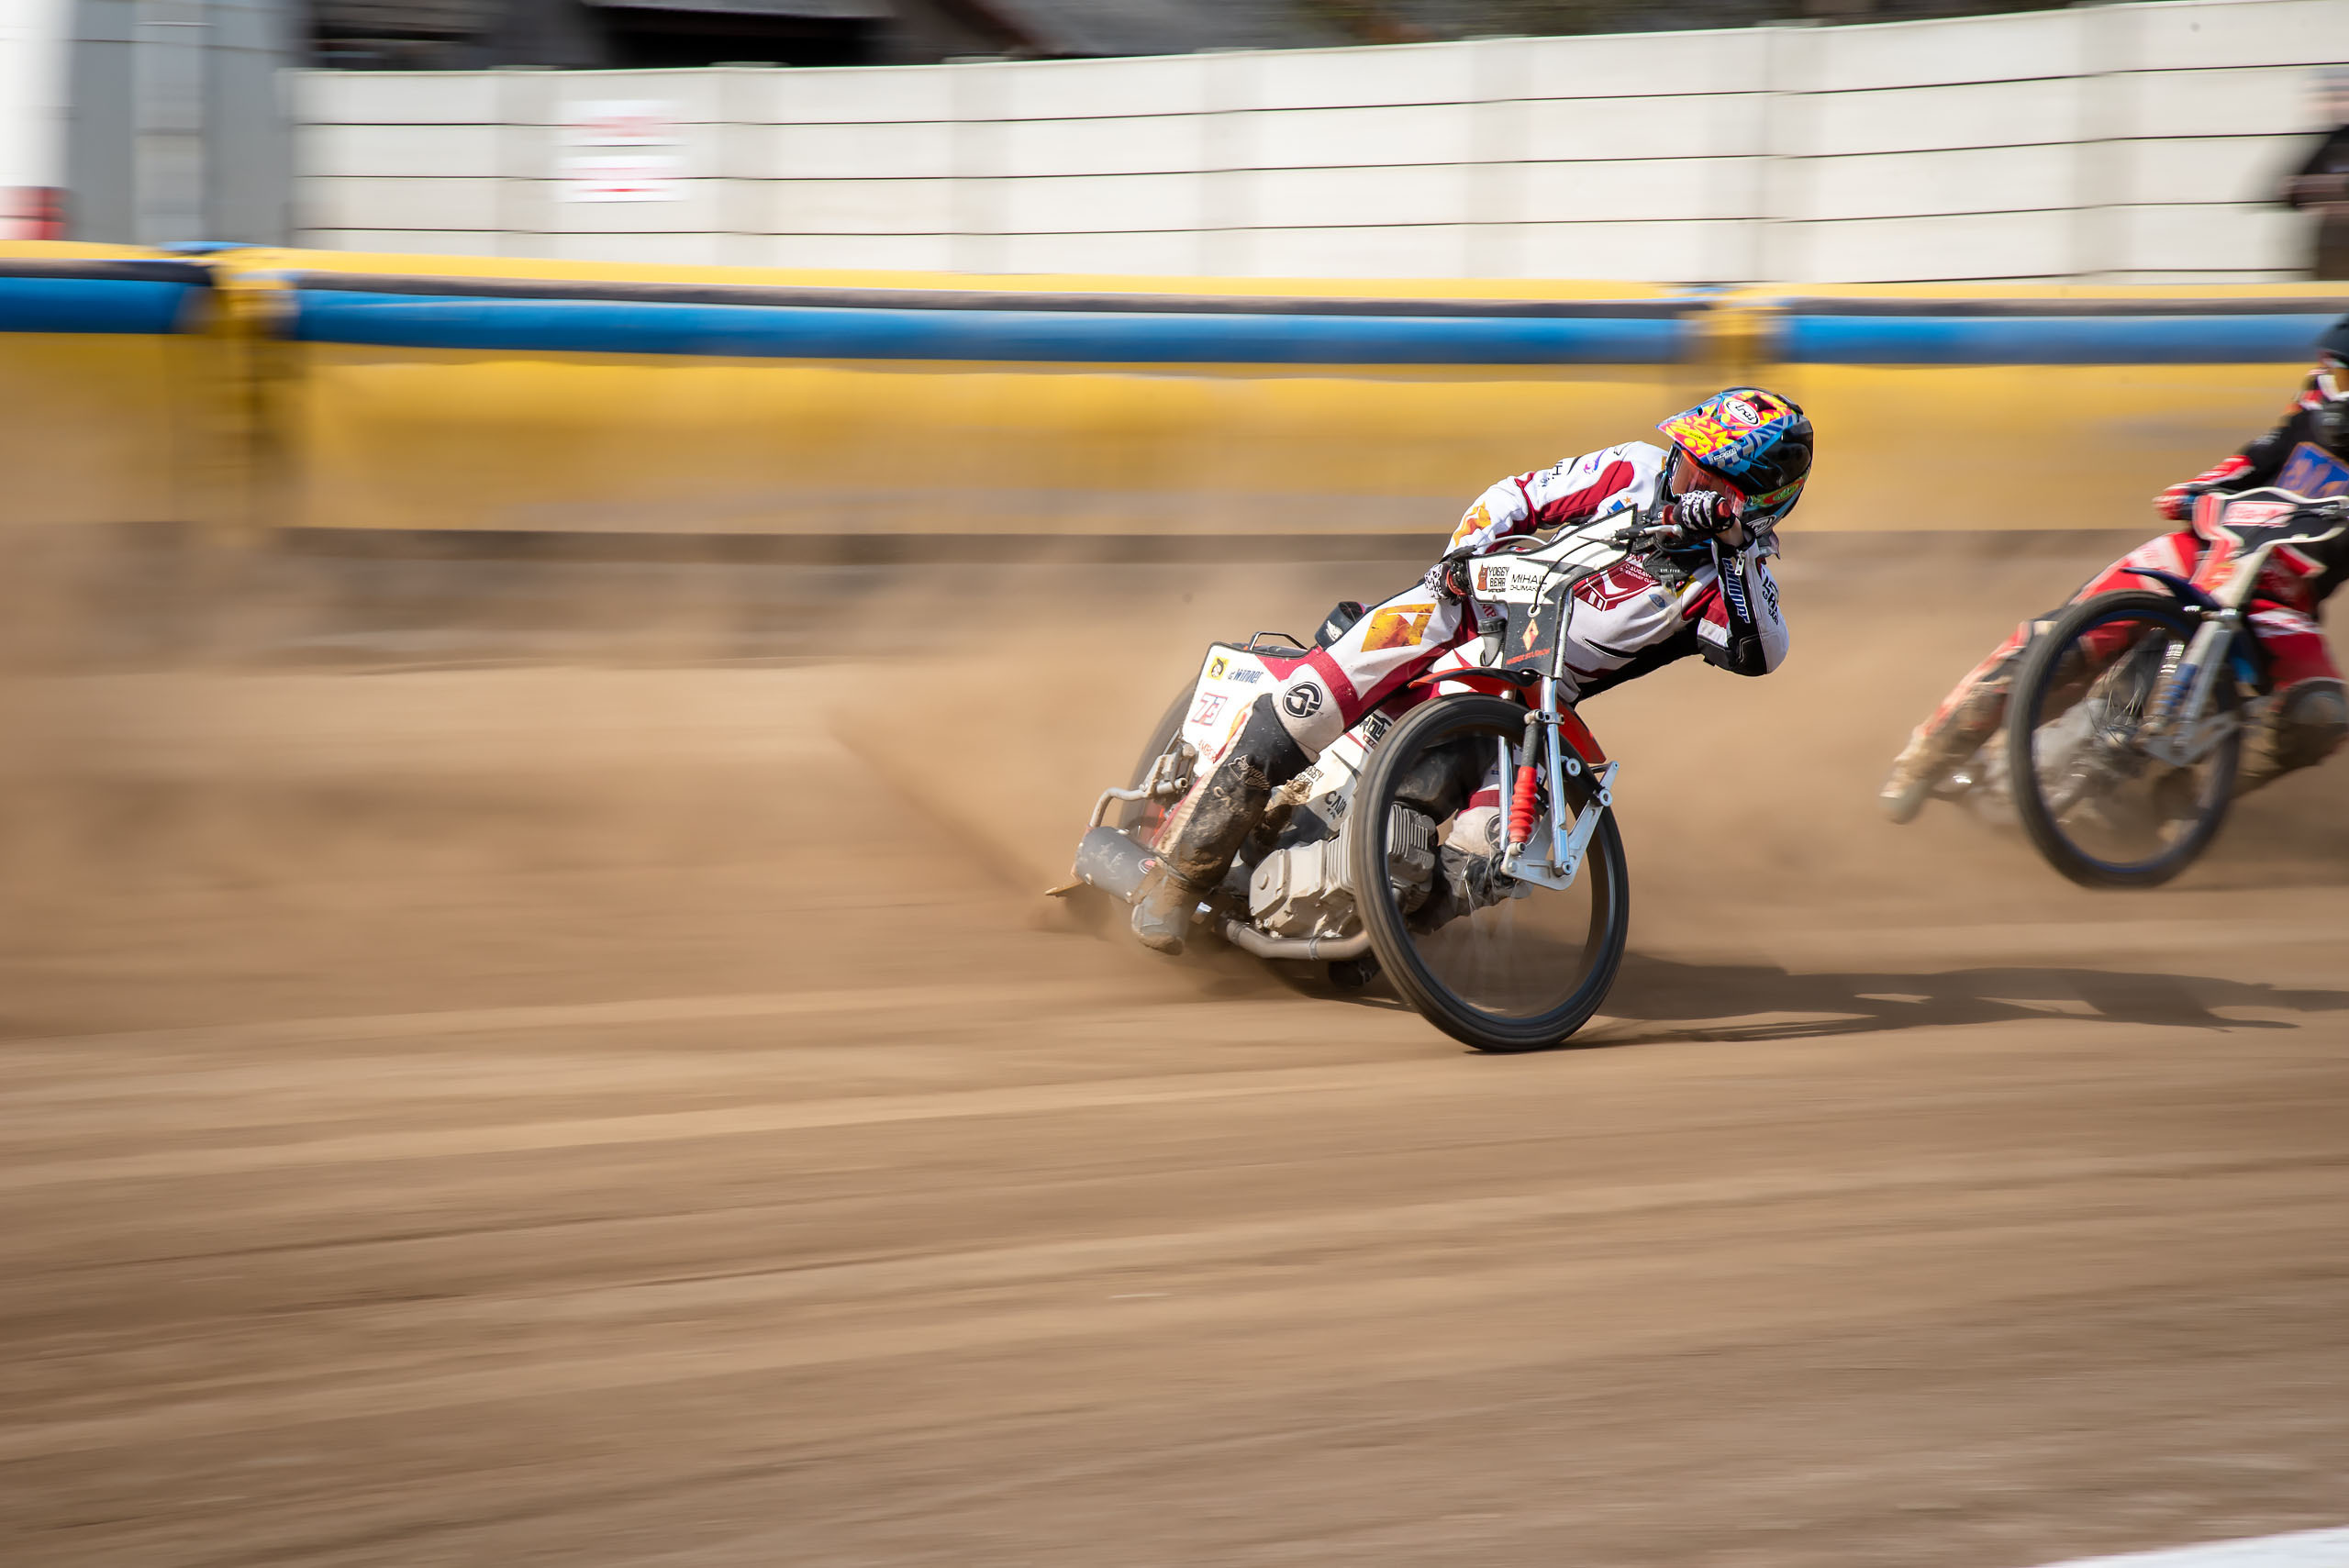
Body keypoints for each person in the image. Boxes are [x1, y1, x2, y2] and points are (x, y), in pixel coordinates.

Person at [1130, 388, 1815, 954]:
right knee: (1306, 702)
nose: (1683, 474)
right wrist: (1463, 556)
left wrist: (1727, 544)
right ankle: (1178, 873)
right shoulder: (1635, 469)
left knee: (1484, 855)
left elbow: (1762, 652)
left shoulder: (1738, 580)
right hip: (1459, 608)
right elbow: (1515, 496)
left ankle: (1385, 947)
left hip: (1531, 703)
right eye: (1687, 456)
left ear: (1757, 499)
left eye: (1708, 475)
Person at [1878, 317, 2349, 825]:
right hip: (2197, 554)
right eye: (2335, 372)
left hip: (2282, 602)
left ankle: (2188, 796)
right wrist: (2195, 489)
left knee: (2321, 713)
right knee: (2059, 645)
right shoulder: (2309, 409)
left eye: (2341, 376)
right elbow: (2252, 458)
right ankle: (1931, 751)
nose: (2332, 385)